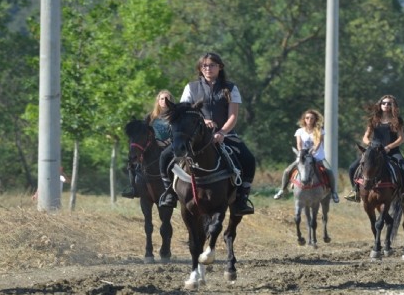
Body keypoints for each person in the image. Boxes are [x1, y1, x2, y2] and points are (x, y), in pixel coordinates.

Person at [158, 52, 255, 215]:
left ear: (220, 67)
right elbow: (184, 112)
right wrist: (203, 121)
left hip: (225, 134)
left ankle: (241, 198)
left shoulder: (230, 88)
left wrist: (222, 132)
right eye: (204, 66)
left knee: (248, 159)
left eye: (211, 65)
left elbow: (233, 115)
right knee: (165, 156)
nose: (208, 68)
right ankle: (169, 193)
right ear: (200, 68)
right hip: (196, 136)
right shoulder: (191, 87)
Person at [344, 95, 404, 205]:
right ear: (380, 105)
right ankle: (355, 191)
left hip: (392, 151)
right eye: (384, 103)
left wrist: (388, 147)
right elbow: (365, 137)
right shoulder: (373, 120)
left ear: (393, 106)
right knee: (352, 167)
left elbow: (401, 138)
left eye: (389, 103)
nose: (386, 105)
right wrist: (371, 145)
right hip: (374, 151)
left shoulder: (398, 121)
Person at [273, 109, 340, 203]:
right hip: (303, 157)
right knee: (287, 170)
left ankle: (333, 192)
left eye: (312, 118)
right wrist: (301, 152)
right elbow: (299, 143)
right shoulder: (299, 131)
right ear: (304, 119)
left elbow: (317, 143)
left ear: (315, 120)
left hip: (317, 157)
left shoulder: (319, 130)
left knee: (329, 171)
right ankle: (282, 189)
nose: (309, 120)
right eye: (307, 118)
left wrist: (313, 151)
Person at [121, 90, 174, 198]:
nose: (164, 101)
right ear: (158, 101)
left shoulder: (175, 116)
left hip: (170, 148)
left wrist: (170, 140)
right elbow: (143, 134)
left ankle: (178, 191)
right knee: (132, 163)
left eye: (167, 98)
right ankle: (133, 188)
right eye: (162, 98)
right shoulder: (150, 117)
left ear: (171, 101)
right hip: (152, 149)